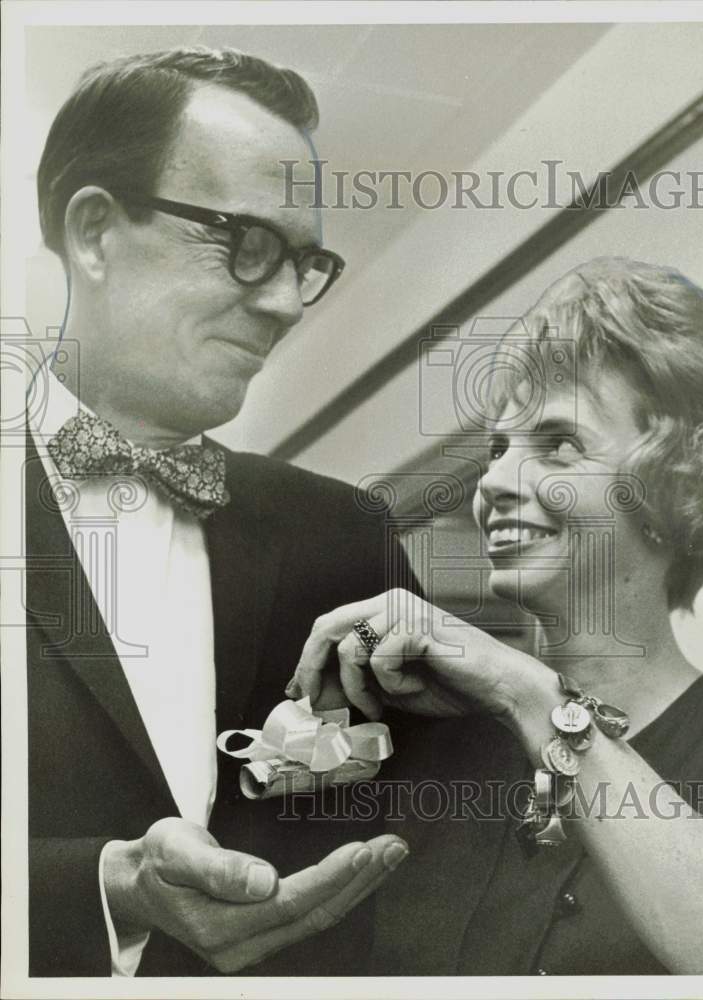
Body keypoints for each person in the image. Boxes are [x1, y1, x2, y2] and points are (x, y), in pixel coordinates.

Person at [26, 47, 414, 978]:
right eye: (246, 243)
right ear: (95, 233)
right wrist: (101, 890)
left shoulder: (346, 535)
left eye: (305, 261)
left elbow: (429, 824)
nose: (285, 303)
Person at [289, 257, 703, 975]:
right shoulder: (427, 748)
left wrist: (530, 695)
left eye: (556, 444)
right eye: (497, 449)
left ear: (679, 479)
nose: (491, 482)